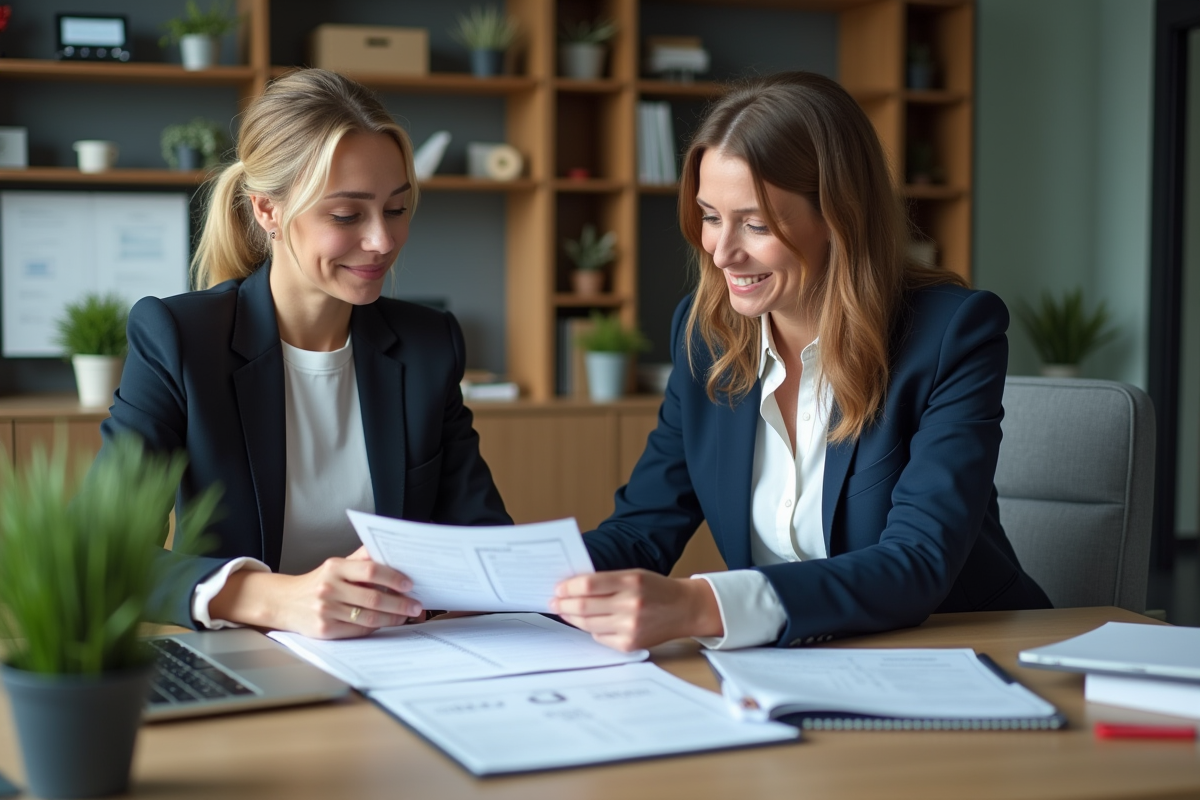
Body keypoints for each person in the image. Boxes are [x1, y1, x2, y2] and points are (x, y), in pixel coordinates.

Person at [551, 72, 1051, 652]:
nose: (722, 252)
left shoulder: (951, 334)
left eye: (756, 224)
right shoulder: (704, 335)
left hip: (963, 651)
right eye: (710, 216)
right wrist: (500, 585)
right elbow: (642, 531)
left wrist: (702, 604)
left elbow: (917, 562)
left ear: (839, 218)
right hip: (794, 664)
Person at [99, 68, 511, 638]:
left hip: (396, 655)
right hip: (243, 656)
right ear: (267, 211)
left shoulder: (428, 344)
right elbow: (104, 551)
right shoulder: (180, 338)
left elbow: (483, 539)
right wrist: (279, 600)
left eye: (396, 209)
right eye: (346, 215)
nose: (382, 241)